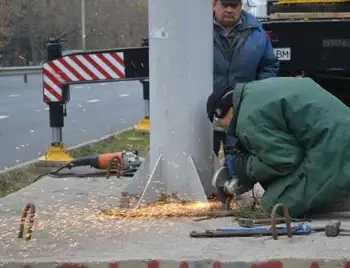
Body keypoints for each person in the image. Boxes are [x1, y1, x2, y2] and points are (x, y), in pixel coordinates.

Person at [207, 76, 350, 218]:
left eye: (223, 124)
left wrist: (246, 167)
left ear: (228, 110)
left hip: (334, 148)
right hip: (337, 134)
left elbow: (285, 161)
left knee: (273, 204)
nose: (226, 130)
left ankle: (335, 193)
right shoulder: (254, 92)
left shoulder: (248, 118)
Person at [210, 0, 279, 157]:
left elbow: (269, 66)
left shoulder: (258, 34)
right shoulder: (197, 31)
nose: (229, 10)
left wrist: (256, 96)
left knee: (240, 159)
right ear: (214, 4)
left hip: (241, 109)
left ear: (241, 6)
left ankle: (238, 180)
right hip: (206, 110)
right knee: (203, 158)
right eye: (224, 5)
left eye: (234, 6)